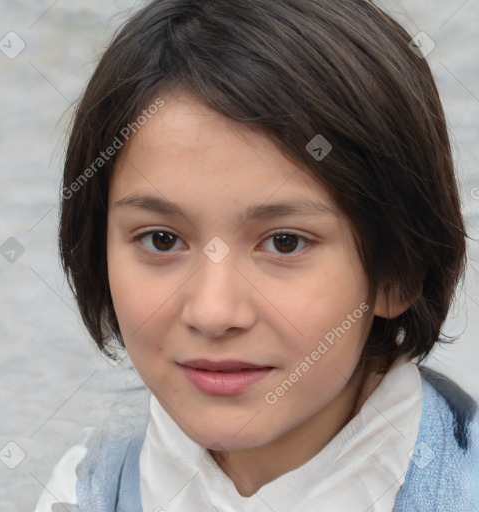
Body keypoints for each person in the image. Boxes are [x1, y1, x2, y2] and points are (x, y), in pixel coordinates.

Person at [34, 0, 479, 510]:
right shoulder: (84, 489)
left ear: (400, 268)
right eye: (161, 239)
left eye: (284, 242)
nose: (213, 312)